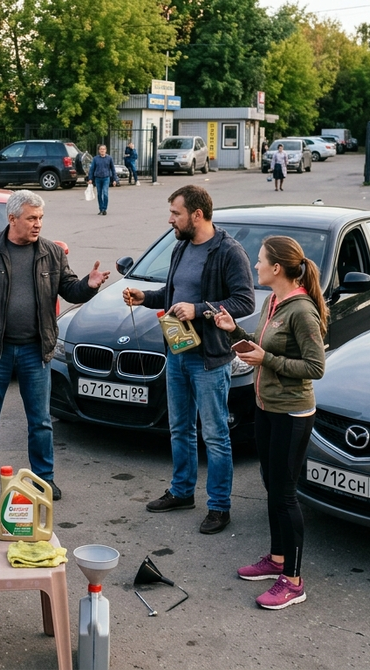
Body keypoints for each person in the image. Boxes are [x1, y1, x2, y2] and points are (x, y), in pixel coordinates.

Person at [0, 190, 110, 500]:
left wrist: (88, 284)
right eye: (31, 218)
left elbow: (70, 289)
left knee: (41, 422)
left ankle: (43, 480)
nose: (38, 224)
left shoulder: (52, 252)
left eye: (41, 218)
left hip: (36, 350)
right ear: (12, 219)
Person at [123, 185, 254, 534]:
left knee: (214, 435)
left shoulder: (229, 252)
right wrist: (144, 297)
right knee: (179, 429)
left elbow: (245, 302)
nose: (171, 220)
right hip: (178, 353)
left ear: (197, 215)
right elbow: (172, 293)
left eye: (176, 213)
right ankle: (182, 492)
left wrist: (200, 310)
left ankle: (219, 507)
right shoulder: (181, 247)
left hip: (209, 359)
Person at [213, 236, 326, 610]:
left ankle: (293, 580)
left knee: (284, 494)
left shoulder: (302, 310)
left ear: (277, 268)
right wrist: (235, 332)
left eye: (260, 261)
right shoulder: (273, 301)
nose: (256, 266)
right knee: (271, 486)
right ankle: (277, 559)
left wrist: (268, 362)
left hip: (292, 413)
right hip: (267, 407)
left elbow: (315, 368)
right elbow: (266, 349)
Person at [88, 145, 119, 215]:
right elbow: (92, 169)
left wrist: (114, 179)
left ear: (106, 150)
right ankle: (101, 208)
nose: (102, 150)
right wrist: (90, 178)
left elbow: (113, 169)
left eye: (103, 149)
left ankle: (104, 208)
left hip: (106, 178)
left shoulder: (109, 158)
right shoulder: (95, 159)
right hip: (98, 178)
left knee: (105, 193)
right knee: (99, 194)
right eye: (101, 149)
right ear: (99, 151)